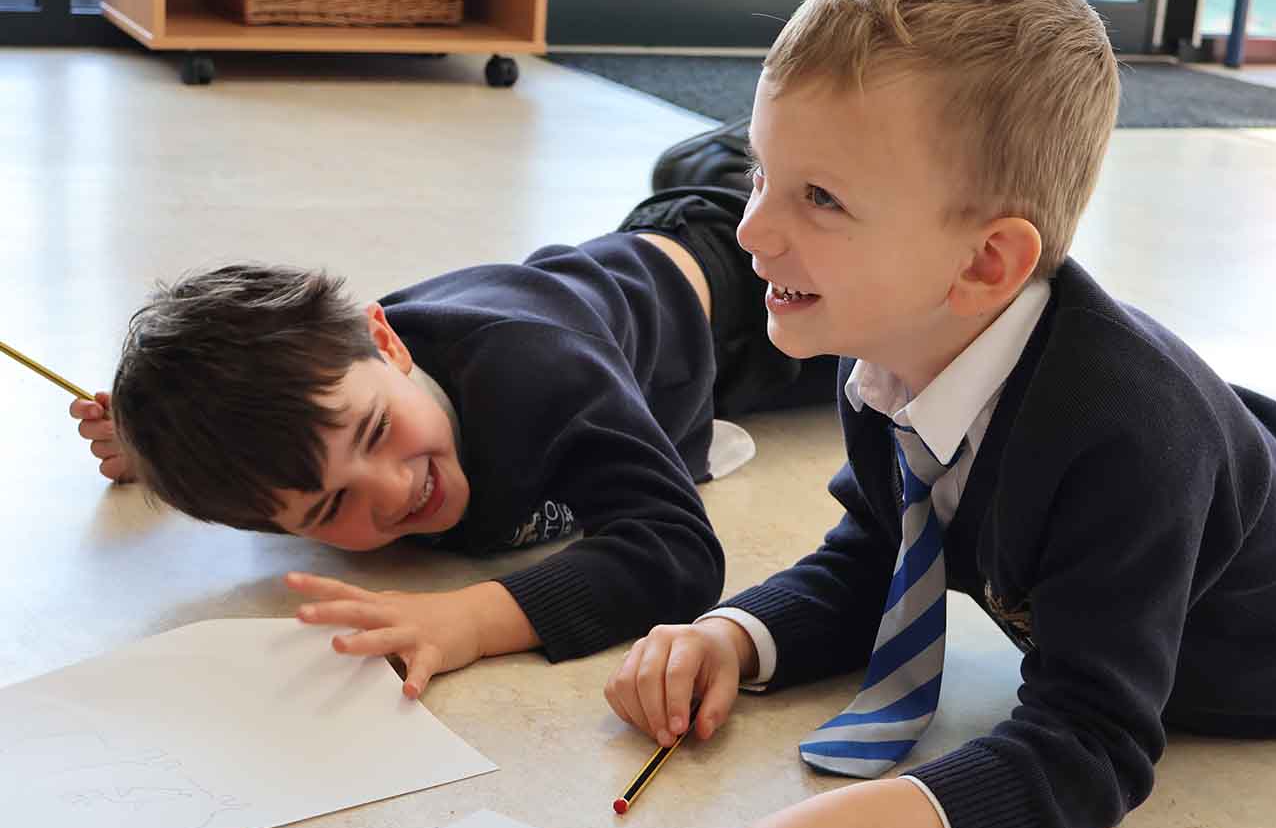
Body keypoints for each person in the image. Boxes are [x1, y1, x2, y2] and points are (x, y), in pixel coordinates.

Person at [603, 0, 1276, 828]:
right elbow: (882, 555)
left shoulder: (1127, 443)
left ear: (987, 263)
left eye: (819, 198)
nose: (750, 229)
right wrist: (735, 637)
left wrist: (867, 827)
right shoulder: (890, 352)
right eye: (761, 175)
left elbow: (1092, 740)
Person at [70, 187, 835, 699]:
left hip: (744, 299)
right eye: (331, 506)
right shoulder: (321, 424)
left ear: (386, 342)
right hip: (605, 283)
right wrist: (159, 452)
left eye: (376, 430)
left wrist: (470, 618)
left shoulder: (536, 377)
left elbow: (677, 551)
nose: (394, 489)